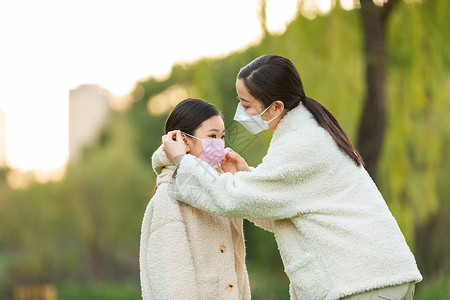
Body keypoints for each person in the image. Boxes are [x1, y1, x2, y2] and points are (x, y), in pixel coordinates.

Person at [162, 55, 422, 300]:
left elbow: (232, 198)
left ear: (276, 107)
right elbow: (281, 209)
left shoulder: (301, 143)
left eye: (247, 103)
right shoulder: (303, 132)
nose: (240, 110)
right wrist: (244, 174)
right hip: (370, 278)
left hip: (362, 281)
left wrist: (184, 164)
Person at [139, 98, 251, 300]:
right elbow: (172, 283)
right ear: (184, 141)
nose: (219, 144)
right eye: (212, 136)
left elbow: (263, 209)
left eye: (222, 137)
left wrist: (242, 178)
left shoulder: (217, 187)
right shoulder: (168, 197)